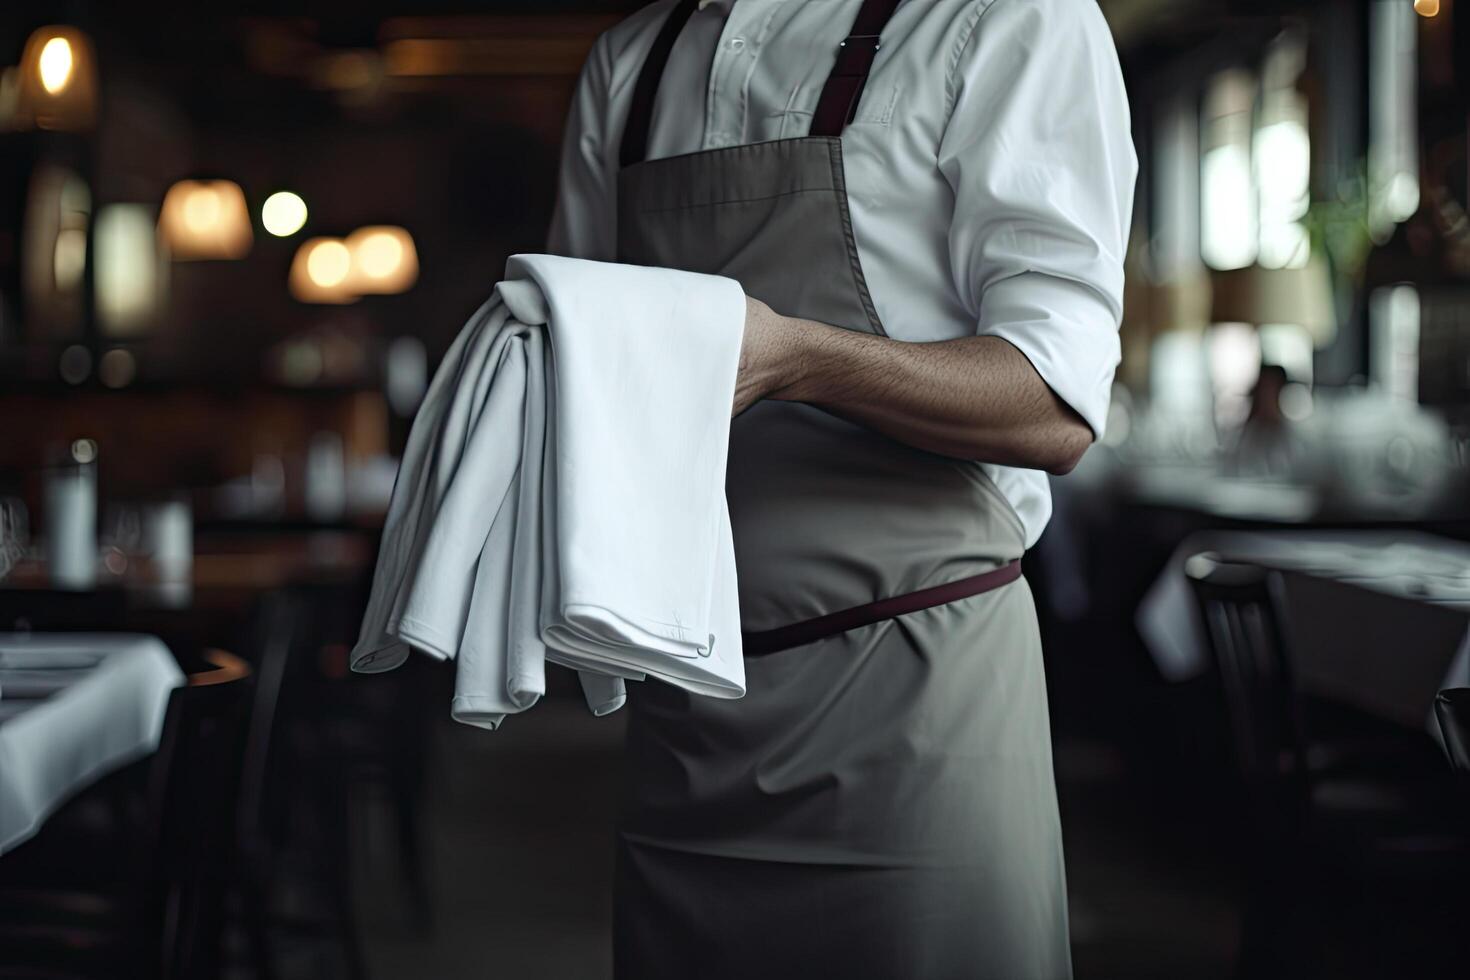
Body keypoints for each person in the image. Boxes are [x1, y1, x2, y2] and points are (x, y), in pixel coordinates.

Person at [548, 1, 1135, 976]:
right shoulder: (629, 62)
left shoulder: (1009, 18)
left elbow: (1054, 405)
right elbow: (581, 351)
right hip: (687, 717)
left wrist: (801, 358)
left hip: (917, 711)